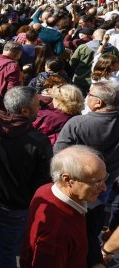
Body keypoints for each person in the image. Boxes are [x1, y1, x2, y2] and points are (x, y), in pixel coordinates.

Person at [0, 86, 53, 268]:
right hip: (14, 208)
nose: (40, 109)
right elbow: (43, 182)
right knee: (7, 251)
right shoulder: (39, 142)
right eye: (37, 105)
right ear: (24, 111)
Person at [54, 81, 119, 267]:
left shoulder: (77, 123)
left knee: (70, 226)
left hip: (74, 188)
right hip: (103, 186)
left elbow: (59, 157)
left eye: (89, 94)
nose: (86, 96)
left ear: (98, 102)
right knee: (92, 225)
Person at [20, 145, 108, 268]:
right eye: (97, 182)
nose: (104, 188)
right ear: (67, 180)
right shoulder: (57, 232)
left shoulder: (45, 189)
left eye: (104, 179)